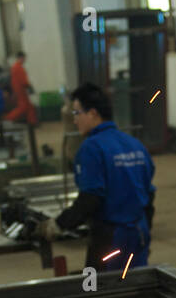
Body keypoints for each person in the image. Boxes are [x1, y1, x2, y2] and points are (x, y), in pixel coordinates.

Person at [41, 83, 154, 270]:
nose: (74, 120)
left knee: (93, 288)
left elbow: (90, 198)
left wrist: (59, 224)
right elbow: (149, 195)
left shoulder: (91, 149)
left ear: (93, 114)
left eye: (77, 113)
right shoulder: (135, 145)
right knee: (137, 284)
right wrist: (144, 230)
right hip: (139, 233)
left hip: (109, 238)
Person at [4, 51, 38, 126]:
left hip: (19, 90)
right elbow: (23, 80)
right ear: (21, 58)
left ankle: (32, 122)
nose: (25, 60)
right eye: (24, 58)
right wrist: (29, 86)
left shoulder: (15, 67)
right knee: (23, 107)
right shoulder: (18, 67)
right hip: (21, 90)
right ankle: (8, 118)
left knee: (29, 106)